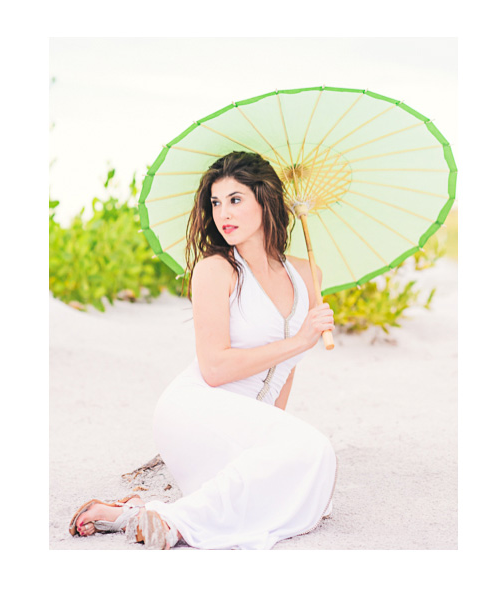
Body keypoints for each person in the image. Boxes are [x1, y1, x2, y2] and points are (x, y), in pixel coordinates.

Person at [69, 152, 337, 549]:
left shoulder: (308, 275)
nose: (222, 213)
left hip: (245, 421)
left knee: (309, 477)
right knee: (314, 449)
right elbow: (213, 368)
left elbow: (287, 368)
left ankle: (132, 514)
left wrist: (270, 432)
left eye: (235, 199)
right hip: (196, 410)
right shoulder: (216, 269)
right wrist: (298, 341)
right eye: (215, 202)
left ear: (266, 201)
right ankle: (173, 522)